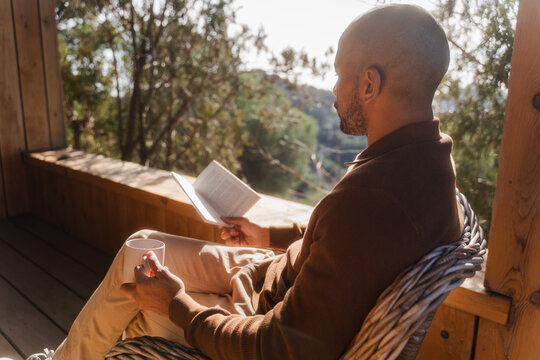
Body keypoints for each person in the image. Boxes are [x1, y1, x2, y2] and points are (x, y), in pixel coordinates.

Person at [47, 4, 463, 360]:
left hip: (256, 312)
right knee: (138, 248)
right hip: (265, 272)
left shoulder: (375, 199)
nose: (333, 89)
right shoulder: (426, 158)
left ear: (370, 83)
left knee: (133, 289)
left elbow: (280, 347)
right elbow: (341, 243)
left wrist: (177, 305)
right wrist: (270, 234)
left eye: (340, 75)